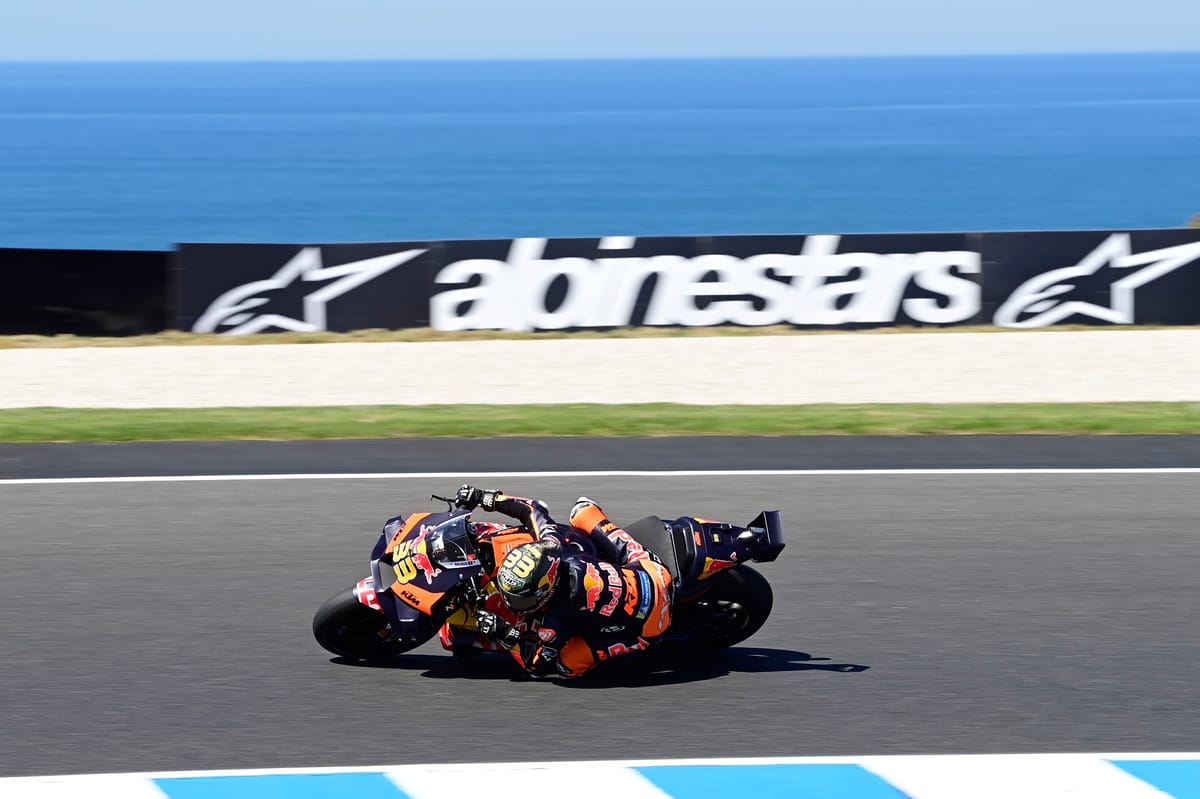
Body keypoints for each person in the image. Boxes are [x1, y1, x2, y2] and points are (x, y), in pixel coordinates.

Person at [452, 485, 674, 678]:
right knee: (581, 510)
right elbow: (532, 508)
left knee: (566, 665)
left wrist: (502, 632)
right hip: (652, 570)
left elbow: (536, 664)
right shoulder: (555, 546)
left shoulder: (557, 620)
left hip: (650, 625)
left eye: (520, 599)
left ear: (545, 592)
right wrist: (485, 497)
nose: (511, 602)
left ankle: (633, 645)